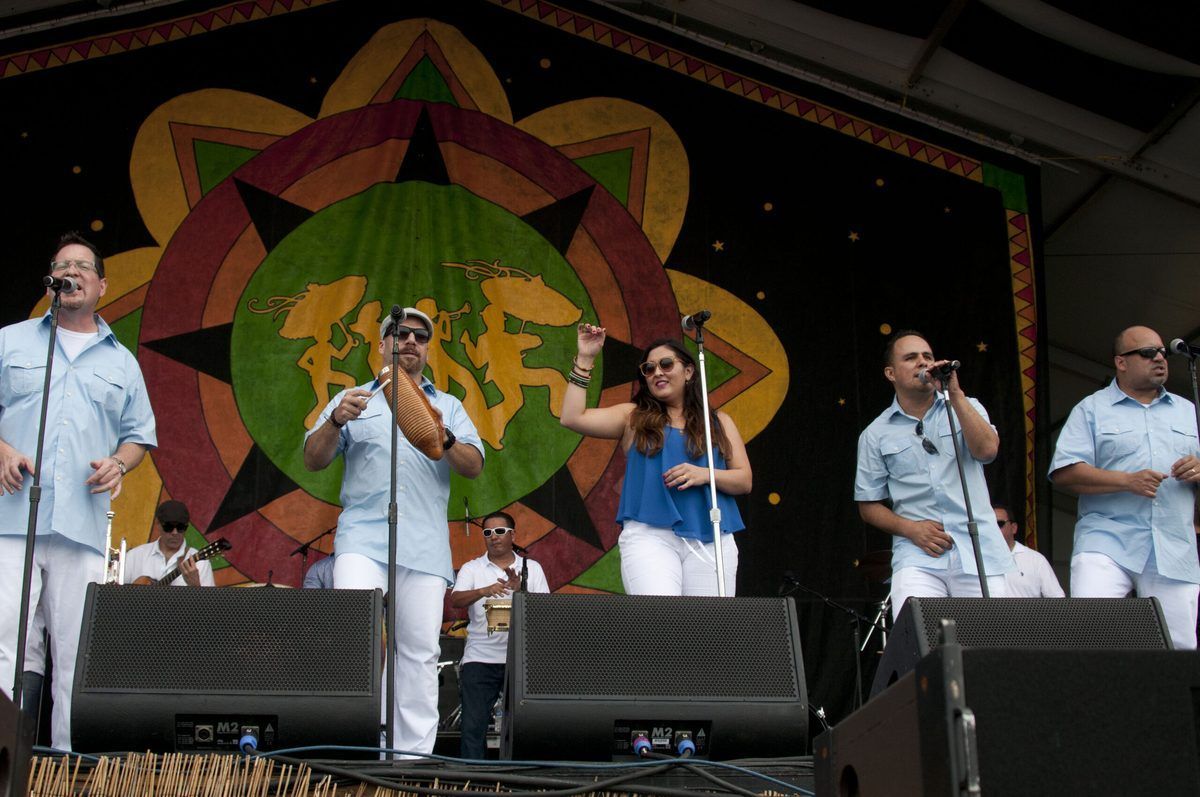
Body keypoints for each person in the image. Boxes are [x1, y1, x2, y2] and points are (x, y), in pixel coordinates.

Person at [303, 306, 483, 755]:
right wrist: (335, 420)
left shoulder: (449, 406)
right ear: (382, 344)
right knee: (356, 644)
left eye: (420, 337)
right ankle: (353, 750)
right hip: (362, 540)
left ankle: (411, 759)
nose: (410, 342)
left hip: (423, 547)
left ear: (427, 349)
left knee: (419, 654)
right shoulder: (352, 398)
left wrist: (447, 438)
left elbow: (475, 466)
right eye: (400, 334)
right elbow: (314, 459)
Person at [0, 232, 157, 750]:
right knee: (6, 647)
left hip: (81, 524)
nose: (70, 270)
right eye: (61, 264)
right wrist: (2, 448)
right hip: (11, 518)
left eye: (81, 265)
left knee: (75, 654)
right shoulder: (11, 340)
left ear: (101, 285)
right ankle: (6, 761)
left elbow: (139, 437)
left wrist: (118, 463)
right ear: (51, 280)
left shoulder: (122, 363)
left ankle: (66, 766)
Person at [560, 325, 751, 596]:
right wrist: (585, 358)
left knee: (708, 631)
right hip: (650, 536)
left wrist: (705, 474)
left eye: (665, 364)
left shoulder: (718, 423)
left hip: (711, 536)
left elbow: (744, 480)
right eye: (648, 369)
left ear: (688, 372)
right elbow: (571, 417)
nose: (657, 372)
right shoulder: (633, 418)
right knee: (660, 625)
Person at [1050, 326, 1200, 649]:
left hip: (1174, 546)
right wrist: (1126, 481)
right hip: (1106, 542)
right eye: (1148, 353)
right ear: (1121, 362)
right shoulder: (1091, 409)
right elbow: (1064, 473)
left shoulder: (1190, 411)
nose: (1160, 358)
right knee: (1093, 641)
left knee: (1182, 652)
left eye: (1162, 352)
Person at [854, 330, 1012, 618]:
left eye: (927, 356)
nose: (922, 362)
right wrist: (911, 529)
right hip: (918, 556)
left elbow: (988, 451)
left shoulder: (967, 406)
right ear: (890, 373)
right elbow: (868, 506)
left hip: (977, 551)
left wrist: (955, 393)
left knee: (987, 649)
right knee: (916, 642)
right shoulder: (875, 434)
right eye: (911, 357)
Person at [449, 511, 549, 759]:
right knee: (473, 727)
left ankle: (520, 779)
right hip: (480, 659)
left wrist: (520, 591)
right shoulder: (473, 568)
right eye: (487, 533)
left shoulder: (530, 568)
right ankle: (472, 782)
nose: (493, 537)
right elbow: (456, 599)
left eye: (500, 531)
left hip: (520, 661)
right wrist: (484, 590)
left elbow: (545, 612)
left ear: (513, 534)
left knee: (524, 727)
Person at [123, 500, 214, 587]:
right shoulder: (134, 556)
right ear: (158, 524)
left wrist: (196, 585)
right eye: (169, 527)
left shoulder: (200, 562)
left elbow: (209, 603)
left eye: (180, 527)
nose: (175, 533)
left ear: (187, 526)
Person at [994, 503, 1064, 598]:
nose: (994, 528)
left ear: (1013, 528)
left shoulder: (1035, 560)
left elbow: (1056, 597)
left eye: (999, 524)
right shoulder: (976, 560)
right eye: (991, 524)